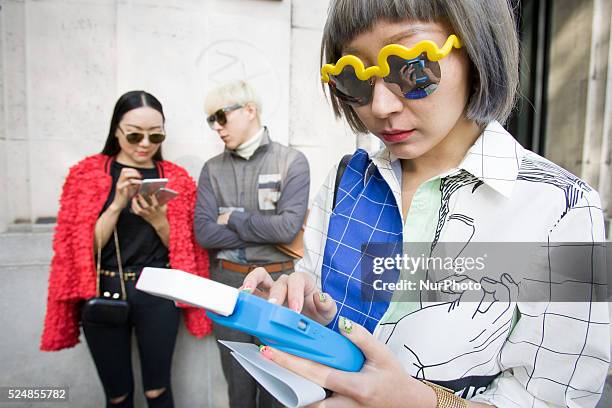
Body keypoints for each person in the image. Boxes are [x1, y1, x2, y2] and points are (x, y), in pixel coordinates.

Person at [242, 1, 610, 407]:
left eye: (412, 67)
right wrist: (290, 314)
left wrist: (422, 402)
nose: (381, 107)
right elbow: (319, 310)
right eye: (353, 80)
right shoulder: (348, 179)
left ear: (477, 50)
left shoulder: (561, 206)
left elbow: (558, 398)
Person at [41, 91, 212, 408]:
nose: (145, 144)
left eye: (155, 135)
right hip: (104, 286)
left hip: (158, 290)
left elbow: (186, 250)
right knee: (117, 394)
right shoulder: (88, 175)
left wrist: (159, 221)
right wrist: (117, 205)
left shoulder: (175, 178)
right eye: (134, 134)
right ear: (116, 130)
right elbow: (79, 249)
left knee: (157, 391)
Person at [194, 80, 310, 408]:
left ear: (249, 110)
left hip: (278, 286)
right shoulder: (212, 169)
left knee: (278, 387)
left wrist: (231, 218)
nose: (216, 126)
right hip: (227, 285)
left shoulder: (292, 161)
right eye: (210, 120)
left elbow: (287, 229)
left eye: (221, 116)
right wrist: (265, 227)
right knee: (238, 388)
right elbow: (204, 233)